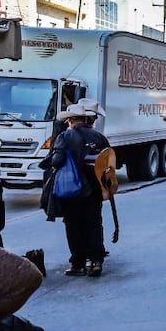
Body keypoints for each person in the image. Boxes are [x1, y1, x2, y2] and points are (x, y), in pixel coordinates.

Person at [51, 102, 112, 277]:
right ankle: (96, 260)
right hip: (95, 189)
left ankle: (78, 263)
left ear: (70, 120)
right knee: (94, 223)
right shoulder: (99, 137)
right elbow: (109, 163)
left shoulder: (65, 137)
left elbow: (57, 161)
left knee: (73, 226)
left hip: (72, 189)